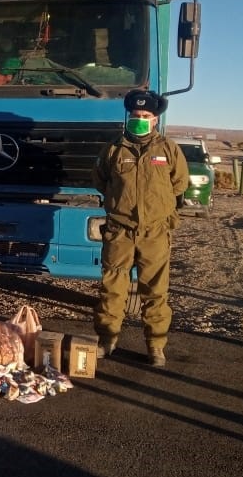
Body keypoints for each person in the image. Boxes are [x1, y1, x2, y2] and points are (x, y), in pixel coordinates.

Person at [91, 89, 188, 366]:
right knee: (112, 289)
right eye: (136, 115)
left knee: (155, 292)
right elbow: (100, 180)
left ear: (155, 119)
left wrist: (160, 211)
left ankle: (155, 346)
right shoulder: (114, 149)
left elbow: (179, 183)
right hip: (119, 231)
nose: (140, 120)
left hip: (154, 232)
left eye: (145, 116)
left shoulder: (168, 149)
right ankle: (107, 340)